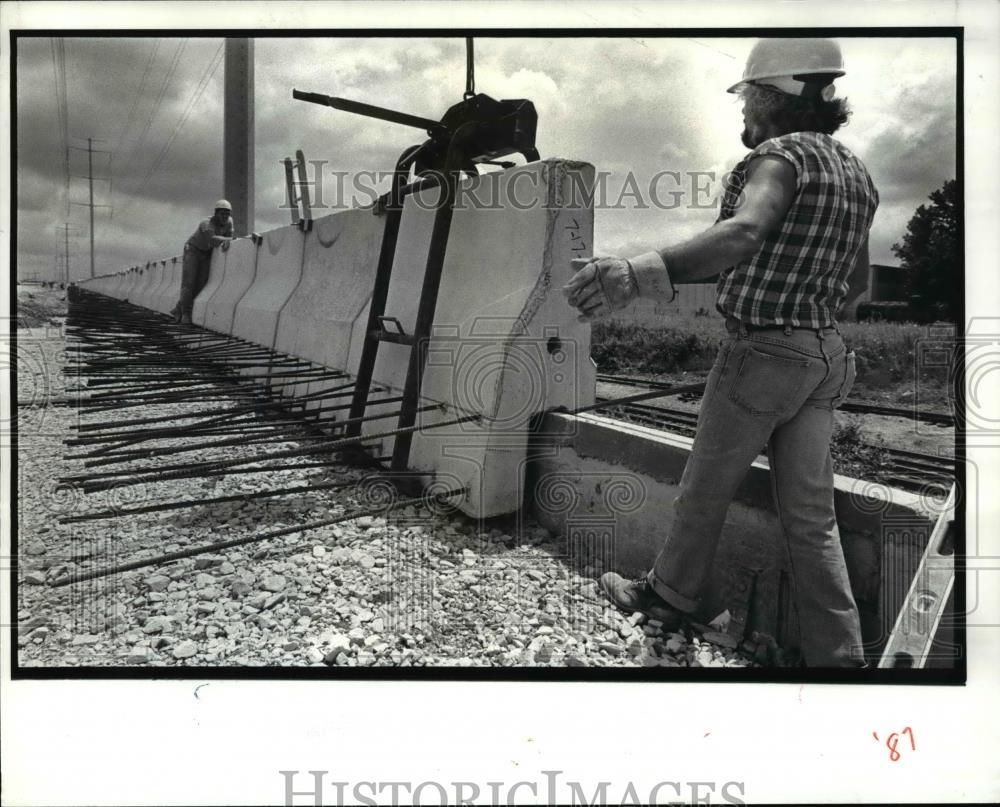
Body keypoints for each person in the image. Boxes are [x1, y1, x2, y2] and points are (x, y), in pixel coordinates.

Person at [563, 38, 878, 667]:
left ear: (773, 96)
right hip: (826, 359)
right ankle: (841, 659)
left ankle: (670, 598)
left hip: (762, 354)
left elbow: (744, 232)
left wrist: (639, 271)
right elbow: (860, 287)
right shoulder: (857, 175)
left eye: (747, 100)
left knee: (702, 492)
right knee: (811, 516)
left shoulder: (778, 155)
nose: (743, 114)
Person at [171, 199, 235, 325]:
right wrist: (228, 239)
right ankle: (185, 313)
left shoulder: (229, 222)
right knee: (189, 283)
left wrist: (228, 239)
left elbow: (229, 238)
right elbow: (213, 240)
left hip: (206, 253)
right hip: (193, 251)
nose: (225, 217)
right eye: (222, 213)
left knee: (201, 284)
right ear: (216, 213)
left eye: (227, 214)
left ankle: (178, 309)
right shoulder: (206, 223)